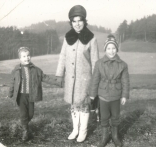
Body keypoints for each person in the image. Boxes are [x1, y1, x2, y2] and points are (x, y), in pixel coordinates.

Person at [55, 5, 99, 142]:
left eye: (80, 20)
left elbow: (95, 62)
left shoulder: (92, 39)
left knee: (84, 105)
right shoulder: (67, 37)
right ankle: (75, 129)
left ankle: (83, 131)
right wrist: (59, 74)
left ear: (85, 21)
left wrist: (95, 83)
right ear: (71, 22)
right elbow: (62, 56)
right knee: (74, 105)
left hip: (85, 80)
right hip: (70, 80)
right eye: (74, 21)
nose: (77, 24)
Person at [7, 47, 62, 141]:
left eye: (28, 55)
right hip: (21, 96)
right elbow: (12, 82)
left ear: (30, 56)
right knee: (23, 114)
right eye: (24, 56)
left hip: (31, 95)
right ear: (20, 58)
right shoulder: (16, 70)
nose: (26, 58)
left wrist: (59, 82)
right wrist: (10, 93)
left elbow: (46, 78)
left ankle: (24, 126)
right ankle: (25, 132)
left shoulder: (36, 70)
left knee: (31, 114)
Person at [89, 35, 130, 147]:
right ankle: (104, 137)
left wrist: (124, 95)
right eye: (108, 48)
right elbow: (95, 80)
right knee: (104, 117)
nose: (111, 51)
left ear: (116, 49)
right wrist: (92, 94)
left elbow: (125, 81)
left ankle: (115, 136)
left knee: (115, 117)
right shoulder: (99, 63)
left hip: (116, 96)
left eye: (113, 48)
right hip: (103, 96)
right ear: (105, 49)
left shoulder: (123, 65)